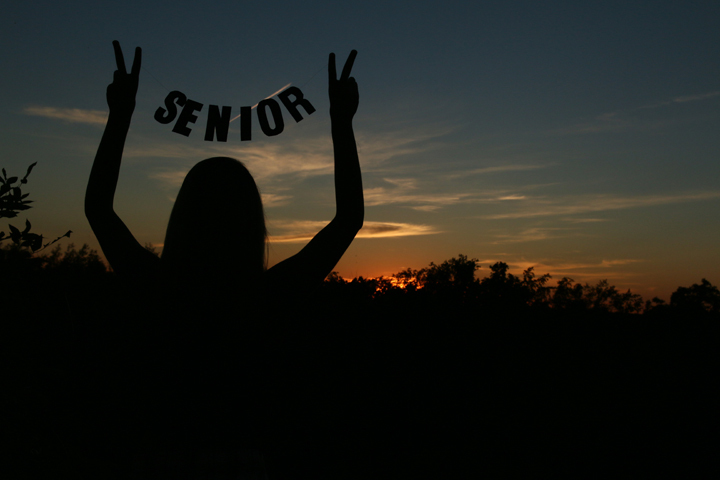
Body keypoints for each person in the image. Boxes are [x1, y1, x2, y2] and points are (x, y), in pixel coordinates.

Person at [84, 41, 363, 478]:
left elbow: (99, 209)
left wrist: (120, 114)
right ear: (252, 226)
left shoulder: (157, 290)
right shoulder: (264, 301)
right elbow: (348, 220)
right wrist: (341, 121)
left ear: (182, 218)